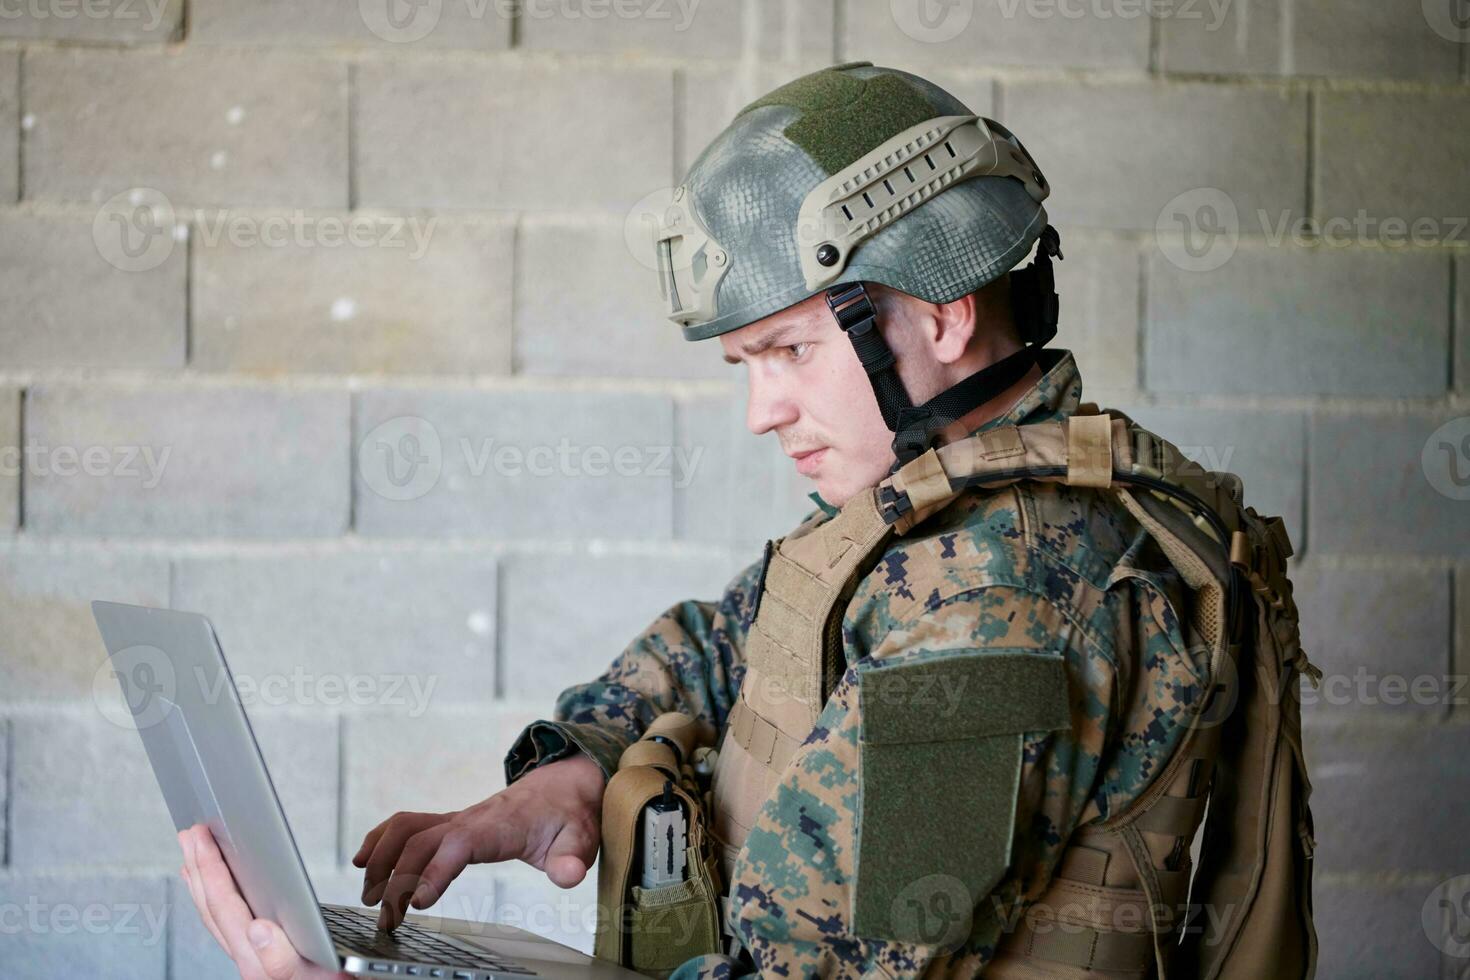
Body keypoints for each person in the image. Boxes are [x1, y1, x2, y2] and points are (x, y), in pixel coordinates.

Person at [178, 61, 1310, 980]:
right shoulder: (930, 523)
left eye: (788, 352)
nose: (763, 410)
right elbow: (740, 636)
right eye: (745, 363)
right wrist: (565, 775)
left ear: (944, 312)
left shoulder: (1015, 599)